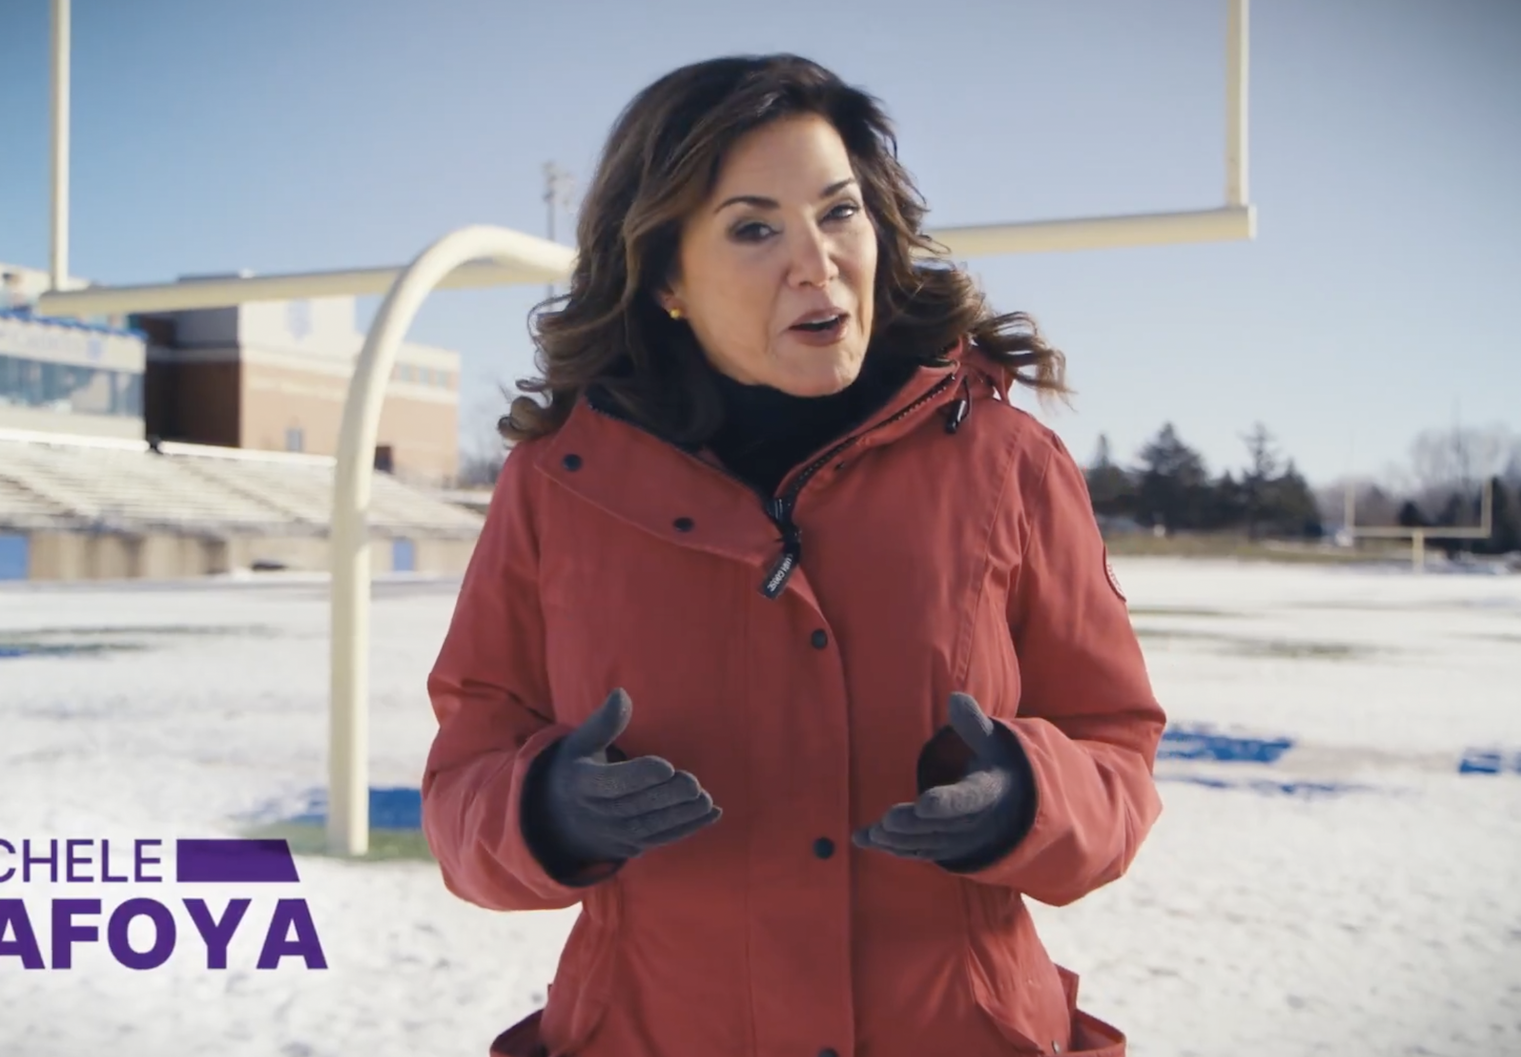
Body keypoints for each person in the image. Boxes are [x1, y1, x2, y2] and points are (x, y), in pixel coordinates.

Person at [422, 53, 1166, 1057]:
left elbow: (1117, 749)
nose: (816, 261)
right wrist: (541, 808)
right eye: (754, 227)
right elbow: (464, 781)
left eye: (839, 212)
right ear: (668, 278)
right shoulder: (559, 484)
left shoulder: (1009, 464)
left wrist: (1032, 798)